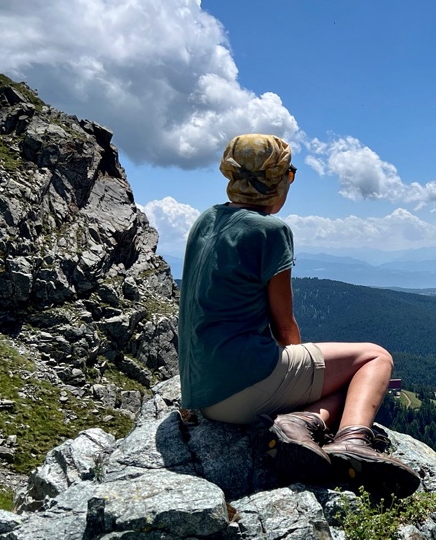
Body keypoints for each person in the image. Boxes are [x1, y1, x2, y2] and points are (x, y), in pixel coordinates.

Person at [177, 133, 420, 496]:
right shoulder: (270, 231)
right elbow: (285, 324)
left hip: (204, 394)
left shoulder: (207, 219)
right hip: (243, 387)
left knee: (340, 382)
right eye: (289, 174)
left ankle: (304, 420)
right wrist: (293, 364)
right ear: (276, 179)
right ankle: (353, 442)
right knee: (375, 357)